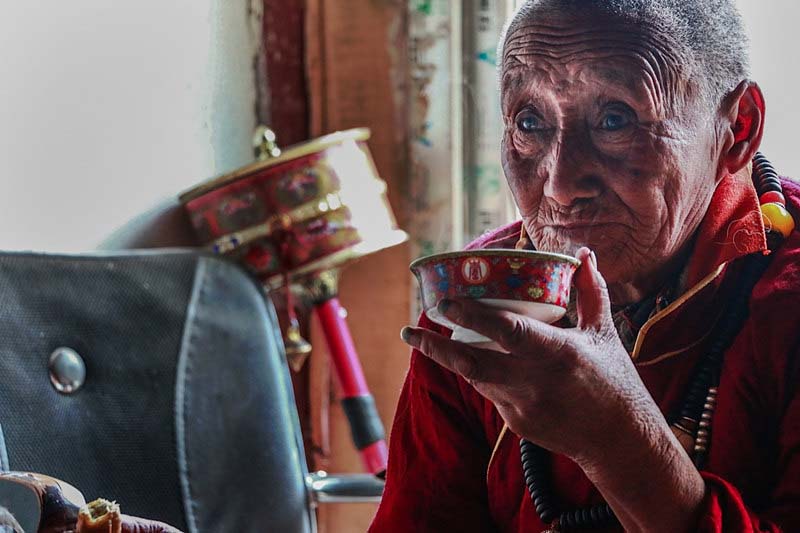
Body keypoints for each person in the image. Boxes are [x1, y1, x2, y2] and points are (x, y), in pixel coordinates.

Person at [370, 1, 800, 531]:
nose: (560, 184)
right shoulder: (477, 296)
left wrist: (618, 442)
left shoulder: (784, 295)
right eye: (529, 121)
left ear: (737, 126)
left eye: (614, 120)